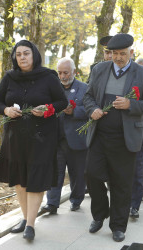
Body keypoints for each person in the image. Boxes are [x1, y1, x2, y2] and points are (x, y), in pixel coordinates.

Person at [83, 33, 143, 242]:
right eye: (114, 53)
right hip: (99, 135)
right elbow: (88, 96)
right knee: (92, 174)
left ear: (131, 53)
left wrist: (130, 105)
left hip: (126, 138)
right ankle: (99, 214)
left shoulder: (142, 74)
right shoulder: (99, 69)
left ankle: (118, 225)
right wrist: (93, 109)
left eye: (122, 54)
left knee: (121, 183)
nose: (117, 58)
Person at [0, 40, 68, 241]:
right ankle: (25, 219)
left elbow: (62, 102)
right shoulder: (9, 77)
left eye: (26, 53)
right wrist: (6, 109)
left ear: (34, 55)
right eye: (19, 55)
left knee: (35, 178)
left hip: (42, 138)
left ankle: (31, 224)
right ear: (15, 58)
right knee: (19, 178)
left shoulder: (49, 77)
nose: (23, 57)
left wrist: (47, 110)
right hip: (15, 137)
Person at [40, 58, 88, 215]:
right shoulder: (52, 88)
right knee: (55, 172)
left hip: (76, 140)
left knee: (77, 173)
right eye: (59, 73)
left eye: (66, 72)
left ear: (74, 71)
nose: (62, 76)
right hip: (55, 139)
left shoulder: (84, 88)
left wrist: (74, 111)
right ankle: (52, 204)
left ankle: (76, 200)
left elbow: (90, 110)